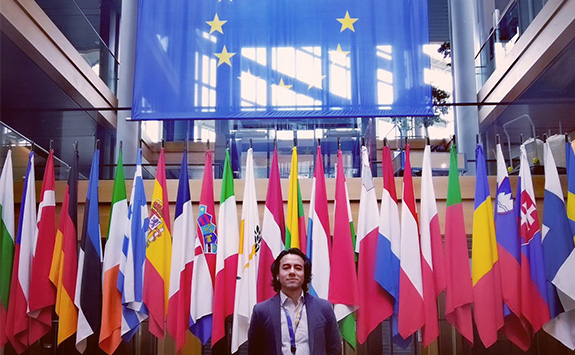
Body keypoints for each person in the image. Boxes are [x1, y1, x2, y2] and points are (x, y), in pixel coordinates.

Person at [248, 248, 342, 355]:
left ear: (305, 275)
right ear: (277, 275)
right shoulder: (261, 311)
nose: (292, 272)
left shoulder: (323, 308)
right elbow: (254, 351)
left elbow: (334, 349)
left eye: (298, 268)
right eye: (286, 267)